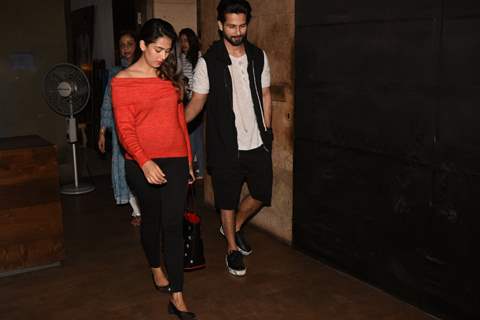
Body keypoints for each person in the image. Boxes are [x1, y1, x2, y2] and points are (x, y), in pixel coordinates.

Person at [111, 18, 197, 320]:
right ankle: (155, 267)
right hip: (141, 162)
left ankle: (177, 295)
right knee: (152, 220)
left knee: (173, 226)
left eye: (168, 51)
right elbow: (125, 129)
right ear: (143, 45)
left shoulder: (168, 76)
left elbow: (179, 122)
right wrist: (145, 161)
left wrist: (187, 158)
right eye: (158, 49)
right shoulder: (122, 81)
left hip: (174, 159)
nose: (164, 56)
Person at [185, 0, 273, 277]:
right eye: (232, 26)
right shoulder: (208, 62)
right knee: (227, 198)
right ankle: (232, 249)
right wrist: (174, 125)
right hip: (226, 143)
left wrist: (267, 129)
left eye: (243, 25)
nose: (237, 31)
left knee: (261, 192)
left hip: (257, 141)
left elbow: (267, 93)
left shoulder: (259, 57)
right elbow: (197, 103)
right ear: (221, 25)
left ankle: (232, 226)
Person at [98, 30, 142, 226]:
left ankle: (148, 207)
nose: (125, 49)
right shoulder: (114, 73)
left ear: (138, 45)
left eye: (129, 44)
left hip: (143, 126)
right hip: (120, 130)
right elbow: (107, 102)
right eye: (122, 45)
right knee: (124, 167)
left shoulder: (146, 68)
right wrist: (102, 132)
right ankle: (136, 211)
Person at [178, 28, 205, 179]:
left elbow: (200, 81)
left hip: (197, 100)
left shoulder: (199, 57)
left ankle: (200, 169)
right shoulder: (182, 58)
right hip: (186, 100)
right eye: (181, 41)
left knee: (197, 137)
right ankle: (193, 168)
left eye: (186, 40)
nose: (183, 44)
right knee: (190, 136)